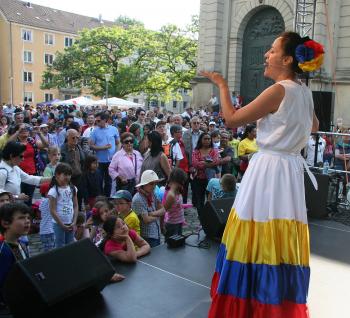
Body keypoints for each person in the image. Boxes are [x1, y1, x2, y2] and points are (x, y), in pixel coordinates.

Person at [201, 31, 322, 317]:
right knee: (279, 239)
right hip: (289, 173)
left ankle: (248, 305)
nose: (266, 55)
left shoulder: (279, 90)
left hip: (269, 171)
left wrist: (221, 84)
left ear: (288, 59)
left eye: (271, 50)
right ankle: (275, 303)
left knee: (255, 233)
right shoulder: (303, 90)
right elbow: (314, 127)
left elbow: (231, 119)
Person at [0, 203, 31, 306]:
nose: (27, 221)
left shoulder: (22, 244)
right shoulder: (4, 250)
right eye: (21, 218)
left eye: (28, 217)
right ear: (5, 223)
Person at [131, 170, 165, 248]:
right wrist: (158, 215)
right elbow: (146, 220)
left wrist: (151, 213)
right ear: (144, 184)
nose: (154, 186)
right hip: (146, 236)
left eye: (155, 183)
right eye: (151, 183)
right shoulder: (138, 198)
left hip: (156, 232)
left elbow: (163, 210)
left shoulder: (153, 193)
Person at [48, 163, 78, 248]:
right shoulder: (53, 191)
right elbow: (52, 210)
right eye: (65, 174)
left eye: (69, 175)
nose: (68, 177)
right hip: (58, 224)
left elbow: (75, 206)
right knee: (59, 246)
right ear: (57, 175)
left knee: (70, 245)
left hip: (70, 222)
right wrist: (61, 224)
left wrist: (74, 221)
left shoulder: (73, 188)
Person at [90, 112, 120, 196]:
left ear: (105, 120)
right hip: (99, 161)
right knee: (99, 181)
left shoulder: (114, 129)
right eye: (96, 121)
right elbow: (91, 145)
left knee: (109, 181)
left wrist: (116, 153)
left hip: (111, 161)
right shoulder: (95, 131)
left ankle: (107, 198)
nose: (97, 123)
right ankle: (100, 198)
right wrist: (103, 148)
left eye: (99, 121)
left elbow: (118, 143)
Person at [191, 133, 224, 211]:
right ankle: (201, 218)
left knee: (211, 199)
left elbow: (216, 162)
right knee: (200, 200)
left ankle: (210, 217)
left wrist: (202, 163)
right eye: (205, 139)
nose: (207, 140)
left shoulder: (214, 151)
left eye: (209, 139)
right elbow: (195, 163)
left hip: (211, 179)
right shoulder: (196, 151)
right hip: (198, 178)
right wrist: (208, 164)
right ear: (201, 140)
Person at [162, 168, 187, 240]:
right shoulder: (171, 195)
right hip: (172, 224)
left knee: (178, 243)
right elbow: (164, 210)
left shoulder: (177, 190)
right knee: (172, 245)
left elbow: (175, 205)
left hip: (178, 222)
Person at [39, 182, 55, 252]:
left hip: (46, 231)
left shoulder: (43, 201)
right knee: (50, 253)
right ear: (46, 193)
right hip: (48, 232)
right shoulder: (47, 201)